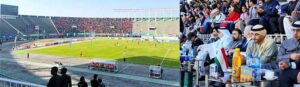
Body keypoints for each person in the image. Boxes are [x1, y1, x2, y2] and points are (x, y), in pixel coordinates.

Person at [278, 21, 300, 87]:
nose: (295, 33)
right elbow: (278, 58)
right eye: (293, 30)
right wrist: (290, 56)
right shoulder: (286, 42)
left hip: (296, 69)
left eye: (298, 30)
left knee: (285, 73)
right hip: (287, 67)